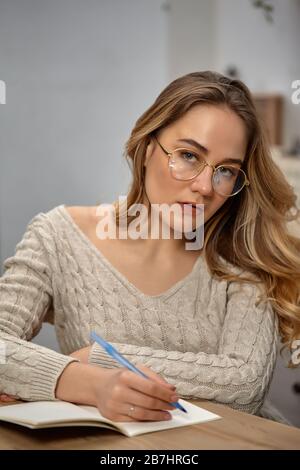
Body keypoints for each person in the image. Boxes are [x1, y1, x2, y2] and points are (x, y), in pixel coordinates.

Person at [0, 71, 299, 423]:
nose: (205, 186)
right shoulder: (58, 236)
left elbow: (244, 386)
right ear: (145, 149)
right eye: (188, 155)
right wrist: (83, 380)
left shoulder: (242, 255)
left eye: (226, 171)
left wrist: (99, 358)